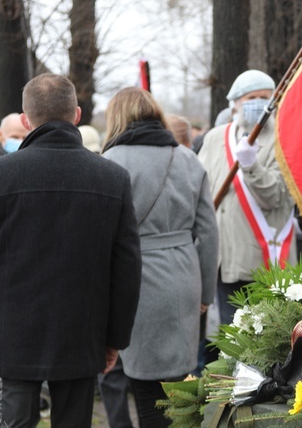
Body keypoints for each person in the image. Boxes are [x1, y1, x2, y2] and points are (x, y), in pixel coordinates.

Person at [0, 74, 142, 427]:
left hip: (10, 331)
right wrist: (115, 337)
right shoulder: (112, 178)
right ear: (77, 115)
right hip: (81, 331)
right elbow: (127, 267)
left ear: (25, 120)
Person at [102, 87, 218, 427]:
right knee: (179, 386)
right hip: (184, 277)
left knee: (145, 389)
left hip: (134, 280)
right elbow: (209, 234)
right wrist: (205, 294)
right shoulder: (188, 159)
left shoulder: (110, 163)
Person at [198, 69, 296, 324]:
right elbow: (200, 188)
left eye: (265, 96)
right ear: (236, 103)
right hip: (222, 257)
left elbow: (275, 196)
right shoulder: (215, 138)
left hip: (262, 259)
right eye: (252, 97)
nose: (259, 103)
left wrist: (252, 167)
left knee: (265, 341)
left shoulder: (283, 137)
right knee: (231, 336)